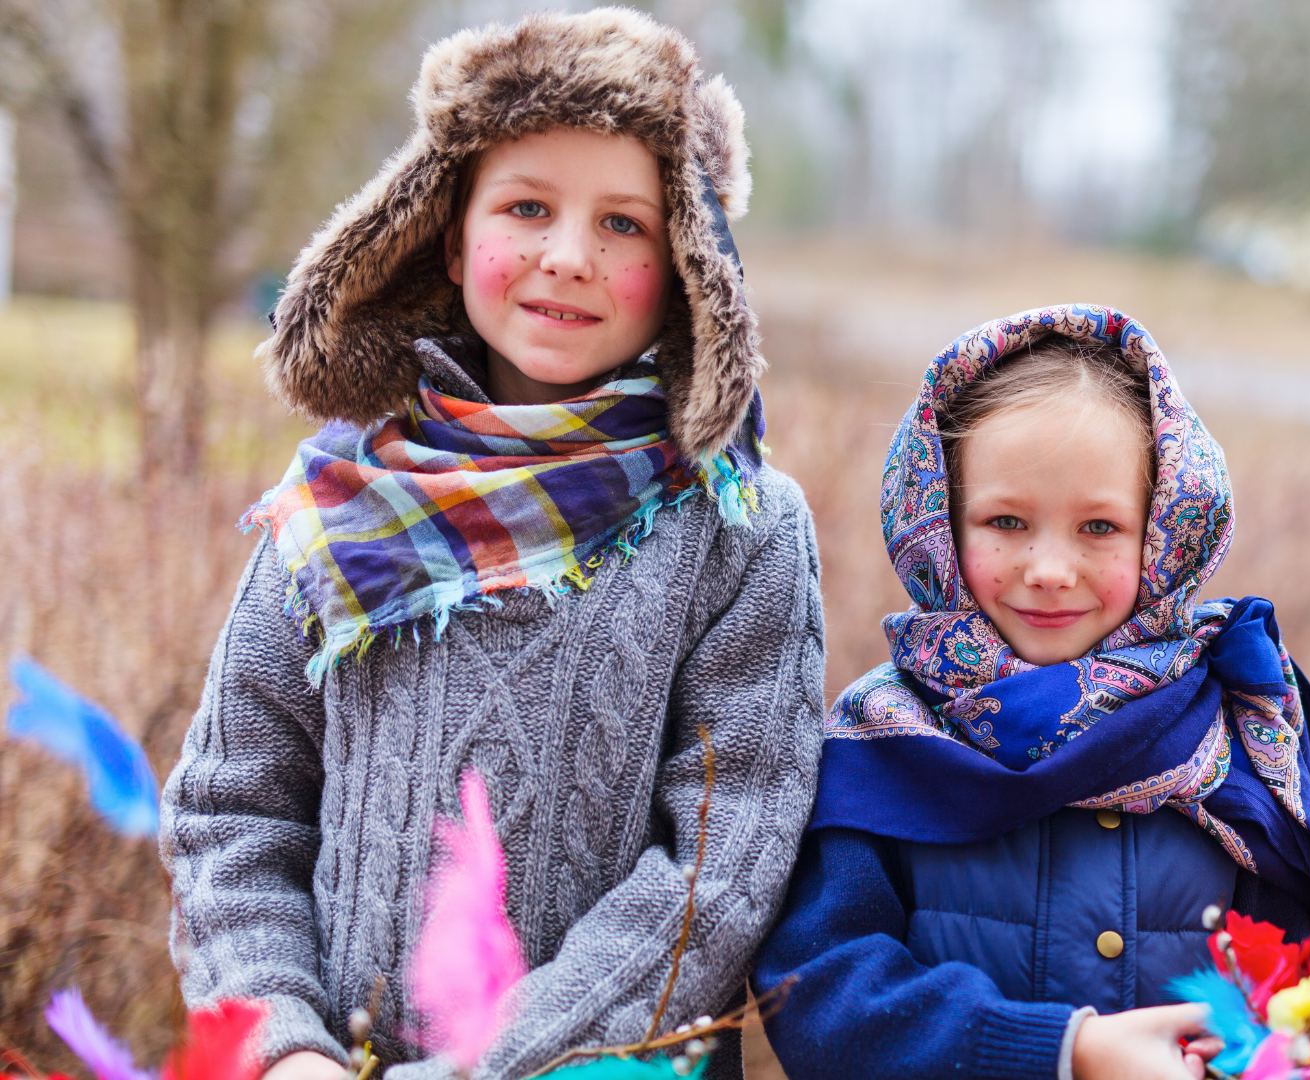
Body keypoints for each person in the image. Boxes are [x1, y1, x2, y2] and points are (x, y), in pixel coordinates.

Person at [159, 11, 824, 1080]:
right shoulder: (335, 508)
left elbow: (719, 871)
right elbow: (232, 813)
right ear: (449, 232)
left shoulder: (735, 530)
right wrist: (282, 1047)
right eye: (527, 208)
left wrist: (487, 1071)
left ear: (688, 261)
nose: (568, 257)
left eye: (624, 224)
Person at [754, 305, 1310, 1080]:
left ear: (1163, 534)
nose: (1049, 570)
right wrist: (1059, 1052)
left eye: (1099, 528)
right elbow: (819, 998)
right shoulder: (884, 742)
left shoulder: (1237, 730)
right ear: (940, 525)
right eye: (1006, 521)